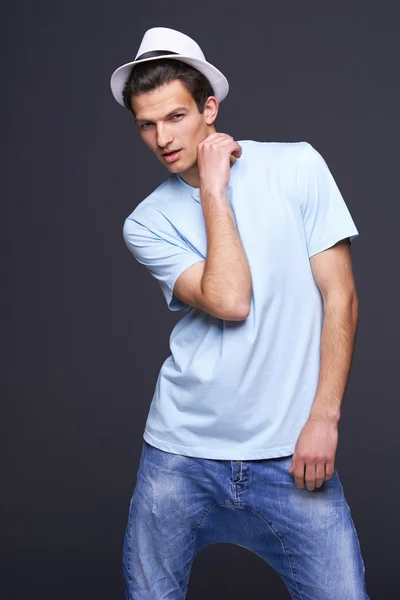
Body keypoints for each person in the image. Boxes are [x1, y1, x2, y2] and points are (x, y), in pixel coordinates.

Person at [110, 26, 370, 600]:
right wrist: (213, 190)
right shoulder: (145, 222)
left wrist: (323, 419)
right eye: (146, 125)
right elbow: (231, 300)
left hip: (290, 453)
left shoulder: (298, 167)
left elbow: (340, 298)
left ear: (210, 108)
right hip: (180, 453)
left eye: (175, 117)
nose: (161, 139)